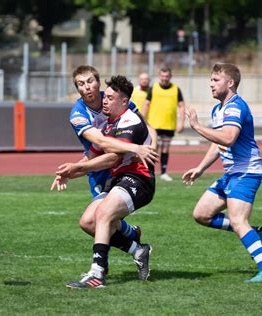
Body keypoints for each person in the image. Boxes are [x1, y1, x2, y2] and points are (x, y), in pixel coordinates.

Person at [182, 63, 262, 283]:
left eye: (216, 80)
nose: (211, 84)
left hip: (246, 172)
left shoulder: (235, 107)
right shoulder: (219, 109)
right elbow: (219, 144)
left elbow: (227, 138)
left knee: (237, 221)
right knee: (201, 214)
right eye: (211, 79)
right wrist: (200, 168)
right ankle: (254, 232)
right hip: (231, 174)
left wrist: (196, 126)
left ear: (230, 83)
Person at [56, 75, 155, 288]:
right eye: (105, 97)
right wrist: (69, 172)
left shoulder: (130, 120)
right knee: (88, 221)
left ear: (124, 101)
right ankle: (138, 250)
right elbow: (90, 157)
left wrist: (78, 168)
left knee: (103, 214)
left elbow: (112, 157)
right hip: (119, 180)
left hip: (139, 179)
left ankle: (97, 274)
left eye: (110, 98)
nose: (105, 101)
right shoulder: (108, 125)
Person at [141, 67, 185, 182]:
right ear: (159, 76)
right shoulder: (153, 88)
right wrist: (142, 120)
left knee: (165, 149)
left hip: (169, 125)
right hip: (154, 125)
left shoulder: (176, 89)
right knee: (153, 149)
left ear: (170, 76)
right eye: (163, 76)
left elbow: (181, 106)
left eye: (167, 76)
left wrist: (182, 122)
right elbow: (146, 104)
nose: (165, 78)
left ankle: (164, 172)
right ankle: (149, 171)